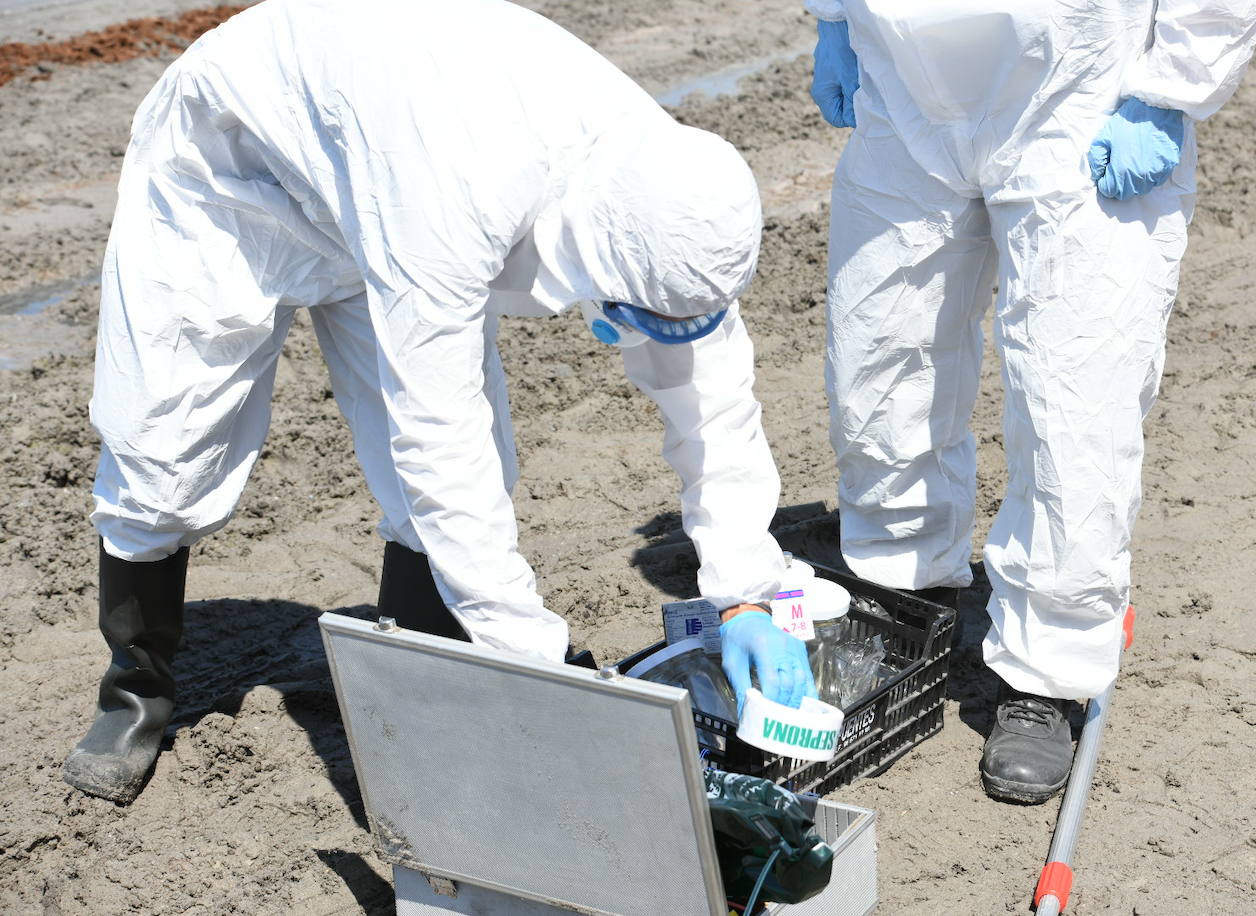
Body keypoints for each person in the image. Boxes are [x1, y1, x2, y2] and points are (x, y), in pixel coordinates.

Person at [64, 0, 816, 805]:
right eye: (630, 318)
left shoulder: (675, 195)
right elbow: (440, 437)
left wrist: (743, 593)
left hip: (378, 171)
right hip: (235, 172)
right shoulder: (463, 194)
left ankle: (416, 676)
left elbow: (711, 394)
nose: (638, 333)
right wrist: (537, 656)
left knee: (456, 483)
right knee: (164, 453)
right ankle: (135, 689)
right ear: (595, 255)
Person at [806, 0, 1256, 802]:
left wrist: (1172, 86)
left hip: (1081, 86)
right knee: (880, 357)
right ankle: (904, 593)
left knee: (1074, 398)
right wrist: (835, 19)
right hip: (905, 78)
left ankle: (1049, 667)